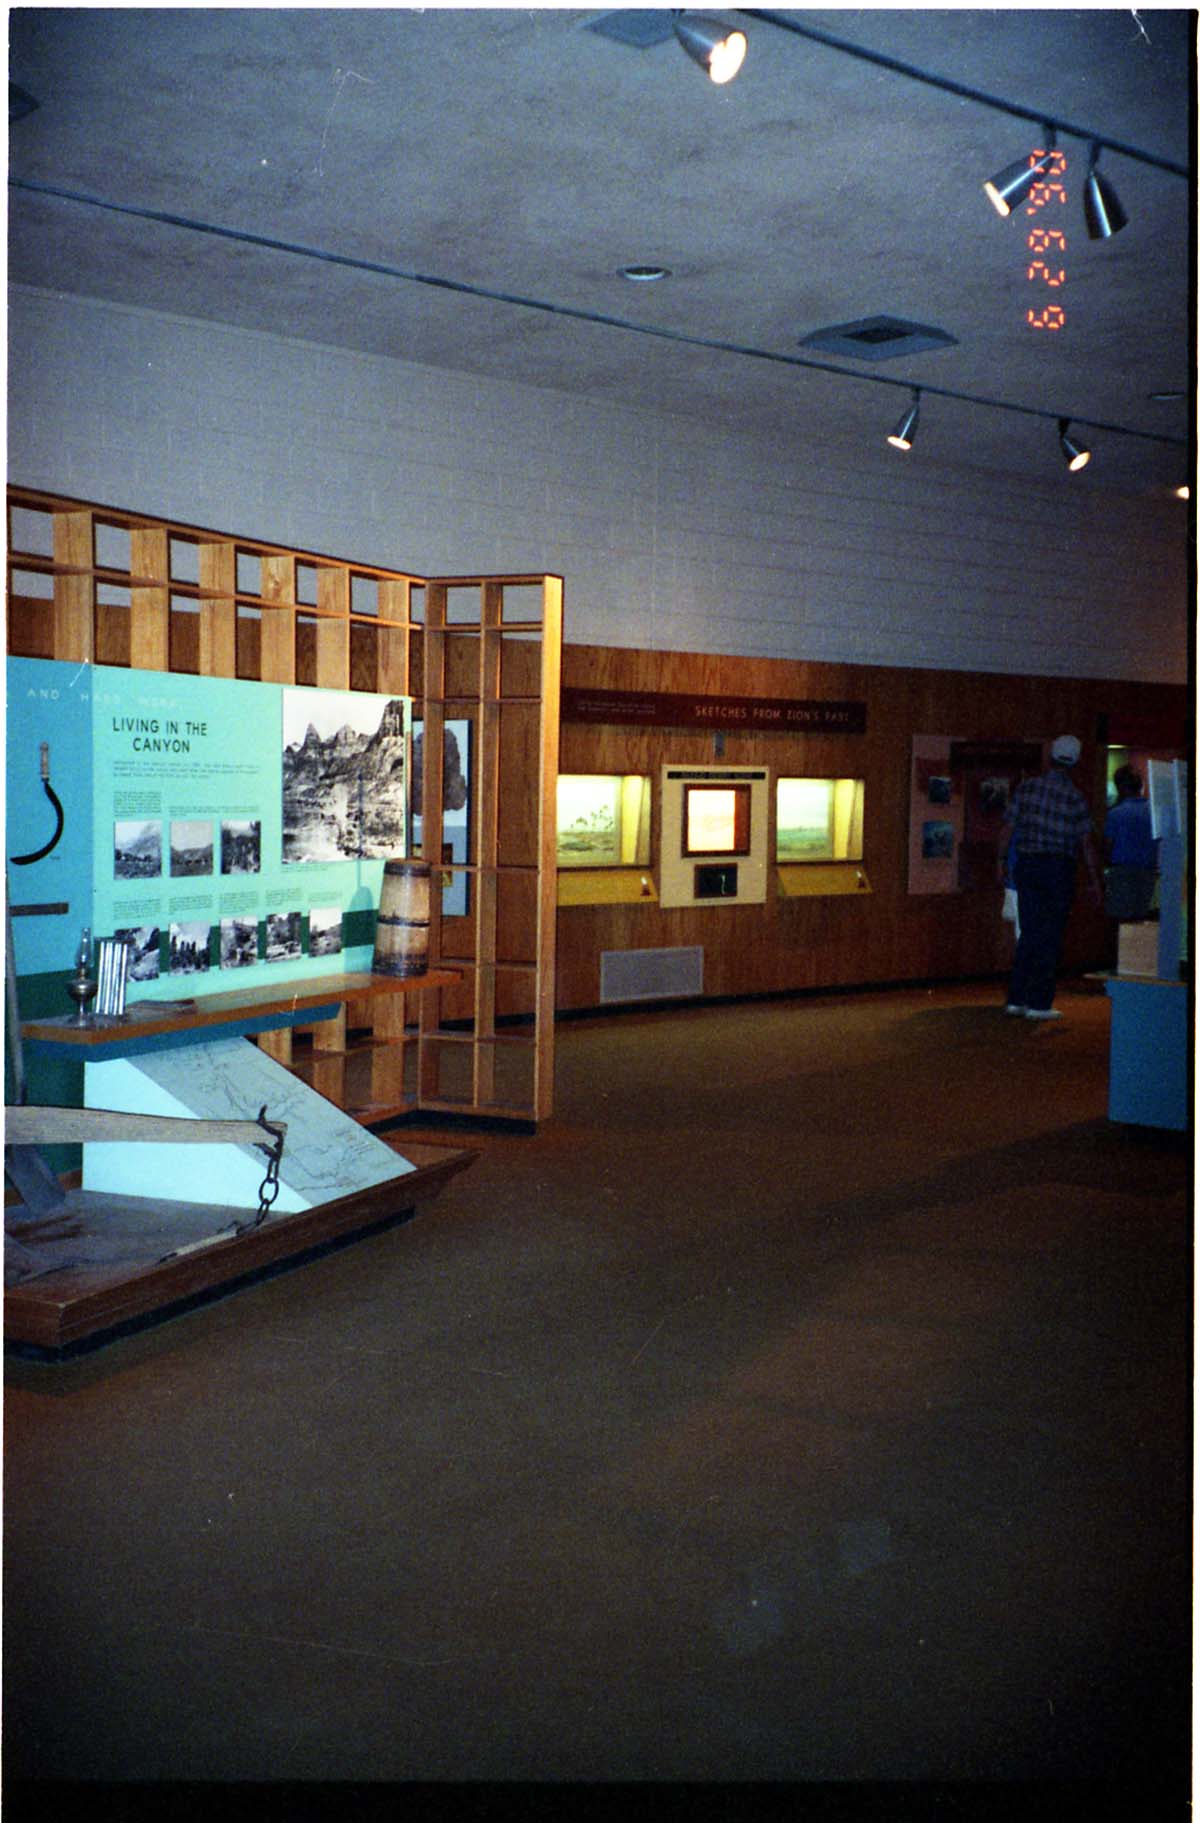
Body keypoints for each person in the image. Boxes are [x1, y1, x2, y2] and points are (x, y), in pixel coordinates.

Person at [997, 734, 1103, 1020]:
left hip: (1028, 867)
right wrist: (1095, 881)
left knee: (1029, 933)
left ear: (1051, 757)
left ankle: (1016, 999)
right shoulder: (1075, 798)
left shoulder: (1028, 789)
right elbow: (1086, 845)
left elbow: (1007, 828)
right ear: (1075, 762)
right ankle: (1039, 1004)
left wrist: (1001, 860)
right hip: (1059, 870)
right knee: (1051, 937)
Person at [1103, 764, 1158, 922]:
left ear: (1120, 787)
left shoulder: (1115, 814)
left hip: (1121, 874)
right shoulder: (1153, 812)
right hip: (1148, 874)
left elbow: (1108, 846)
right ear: (1141, 785)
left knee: (1119, 923)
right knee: (1141, 923)